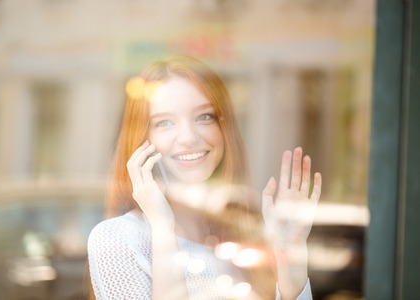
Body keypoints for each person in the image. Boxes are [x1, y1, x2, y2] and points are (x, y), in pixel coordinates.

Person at [87, 55, 322, 300]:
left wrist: (289, 254)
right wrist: (163, 229)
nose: (188, 137)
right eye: (164, 122)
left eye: (204, 117)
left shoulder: (239, 238)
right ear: (142, 140)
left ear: (224, 127)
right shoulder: (118, 239)